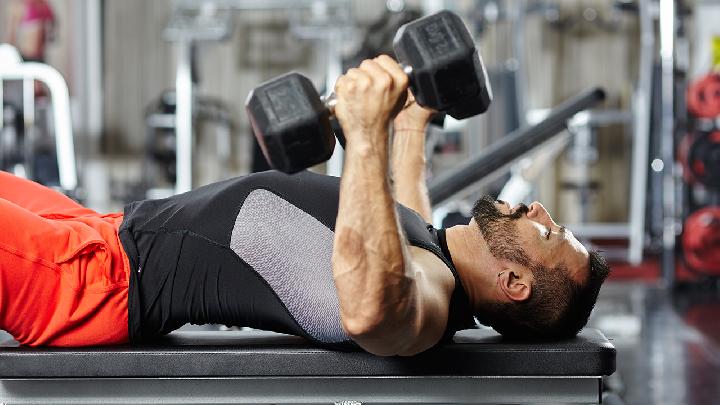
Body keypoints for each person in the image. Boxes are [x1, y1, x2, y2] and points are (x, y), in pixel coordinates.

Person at [0, 56, 610, 355]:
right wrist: (410, 125)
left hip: (93, 280)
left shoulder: (425, 301)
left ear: (513, 281)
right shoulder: (430, 252)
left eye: (549, 234)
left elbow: (372, 311)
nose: (537, 209)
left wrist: (366, 134)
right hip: (98, 233)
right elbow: (401, 210)